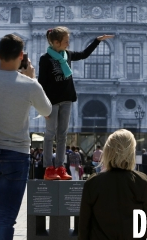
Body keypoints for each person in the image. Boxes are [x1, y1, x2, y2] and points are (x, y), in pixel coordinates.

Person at [0, 34, 52, 240]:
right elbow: (48, 110)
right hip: (16, 155)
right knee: (6, 219)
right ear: (21, 56)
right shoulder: (29, 85)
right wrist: (33, 79)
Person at [38, 27, 113, 181]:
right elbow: (41, 83)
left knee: (62, 135)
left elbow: (84, 54)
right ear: (56, 42)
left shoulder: (68, 56)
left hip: (67, 99)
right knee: (50, 134)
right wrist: (42, 107)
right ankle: (48, 168)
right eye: (66, 41)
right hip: (51, 102)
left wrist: (97, 41)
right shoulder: (45, 59)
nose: (68, 44)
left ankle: (59, 166)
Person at [78, 129, 147, 240]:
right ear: (131, 154)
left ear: (107, 152)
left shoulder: (93, 182)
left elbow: (84, 224)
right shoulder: (141, 181)